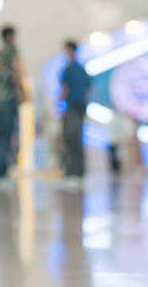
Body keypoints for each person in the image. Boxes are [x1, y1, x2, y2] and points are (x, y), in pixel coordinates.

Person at [0, 26, 24, 178]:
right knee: (7, 134)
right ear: (10, 36)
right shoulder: (11, 52)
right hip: (8, 98)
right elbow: (17, 72)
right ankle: (3, 170)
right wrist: (20, 88)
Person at [60, 40, 91, 188]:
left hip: (73, 107)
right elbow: (88, 89)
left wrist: (57, 102)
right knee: (75, 139)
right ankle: (76, 172)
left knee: (70, 138)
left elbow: (64, 90)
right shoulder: (81, 69)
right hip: (79, 107)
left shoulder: (69, 70)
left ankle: (73, 173)